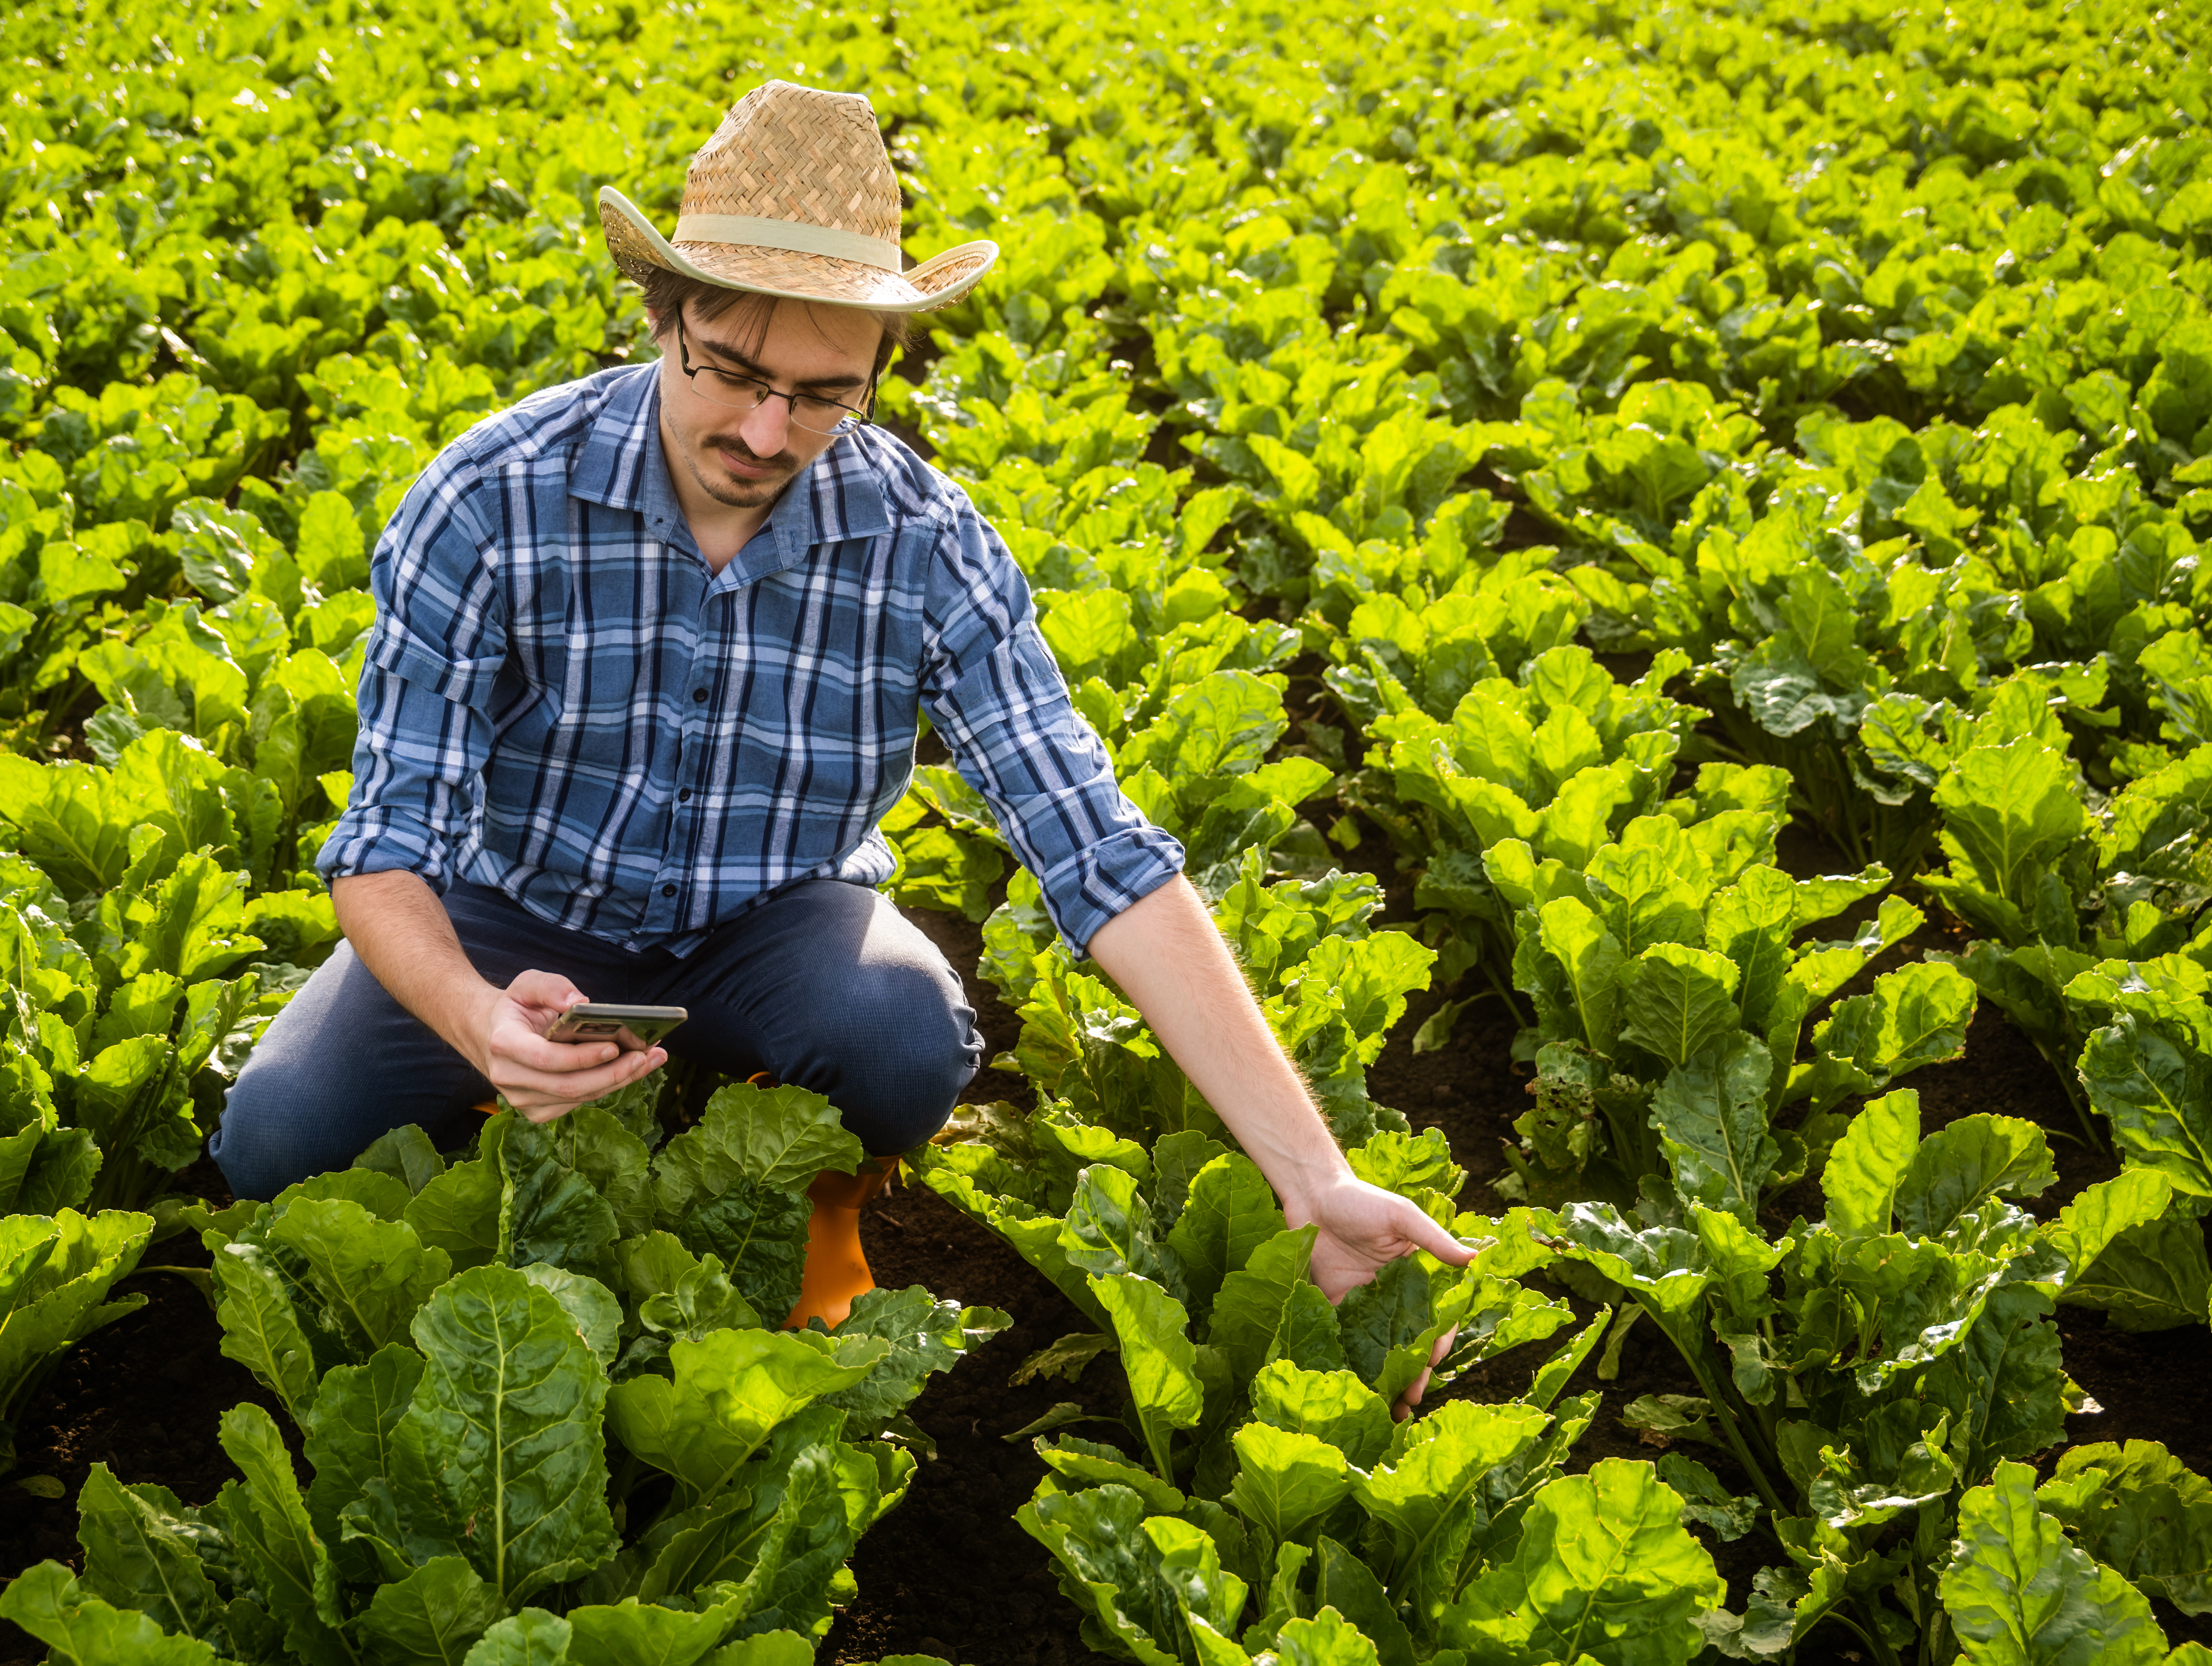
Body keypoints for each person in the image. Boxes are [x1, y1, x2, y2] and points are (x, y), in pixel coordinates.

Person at [211, 80, 1469, 1399]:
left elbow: (1097, 850)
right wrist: (476, 1019)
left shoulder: (925, 543)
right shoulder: (489, 499)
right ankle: (520, 1090)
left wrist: (1314, 1177)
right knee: (277, 1142)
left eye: (824, 396)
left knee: (901, 1037)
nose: (767, 435)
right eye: (732, 372)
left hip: (772, 925)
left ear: (879, 373)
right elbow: (387, 843)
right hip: (510, 913)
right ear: (662, 318)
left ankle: (811, 1197)